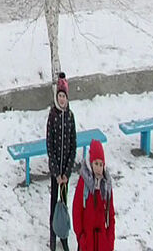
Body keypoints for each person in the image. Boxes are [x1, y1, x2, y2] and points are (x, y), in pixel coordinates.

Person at [46, 72, 76, 251]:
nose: (62, 99)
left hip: (66, 172)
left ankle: (63, 233)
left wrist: (67, 173)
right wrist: (57, 173)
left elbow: (73, 143)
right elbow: (50, 144)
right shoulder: (53, 115)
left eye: (64, 96)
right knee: (53, 202)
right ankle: (52, 233)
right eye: (60, 96)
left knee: (64, 203)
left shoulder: (70, 116)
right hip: (56, 171)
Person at [72, 139, 116, 251]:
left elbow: (110, 215)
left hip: (102, 242)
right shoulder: (83, 183)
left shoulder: (106, 185)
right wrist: (81, 237)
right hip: (87, 241)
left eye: (101, 164)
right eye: (96, 163)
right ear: (90, 163)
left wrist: (110, 241)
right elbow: (77, 210)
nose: (98, 168)